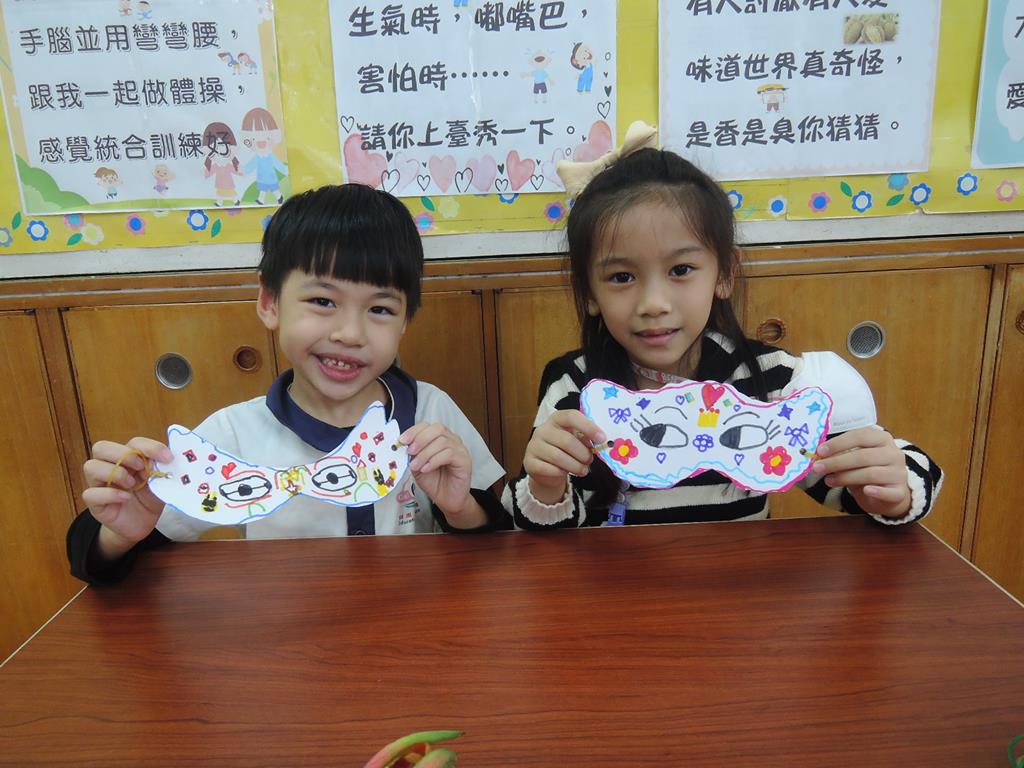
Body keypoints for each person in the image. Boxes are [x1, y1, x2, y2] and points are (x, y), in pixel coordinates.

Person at [504, 122, 943, 530]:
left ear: (724, 274)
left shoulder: (774, 380)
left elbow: (854, 483)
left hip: (742, 585)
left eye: (681, 270)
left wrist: (891, 488)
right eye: (621, 277)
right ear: (589, 292)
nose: (653, 304)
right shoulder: (574, 387)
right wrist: (546, 486)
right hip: (618, 586)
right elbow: (539, 523)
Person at [68, 184, 507, 584]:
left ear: (405, 320)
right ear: (270, 302)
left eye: (380, 309)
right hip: (285, 632)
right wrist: (119, 534)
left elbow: (495, 538)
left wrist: (460, 508)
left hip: (413, 623)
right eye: (322, 301)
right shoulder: (233, 434)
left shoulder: (430, 411)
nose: (350, 334)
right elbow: (100, 558)